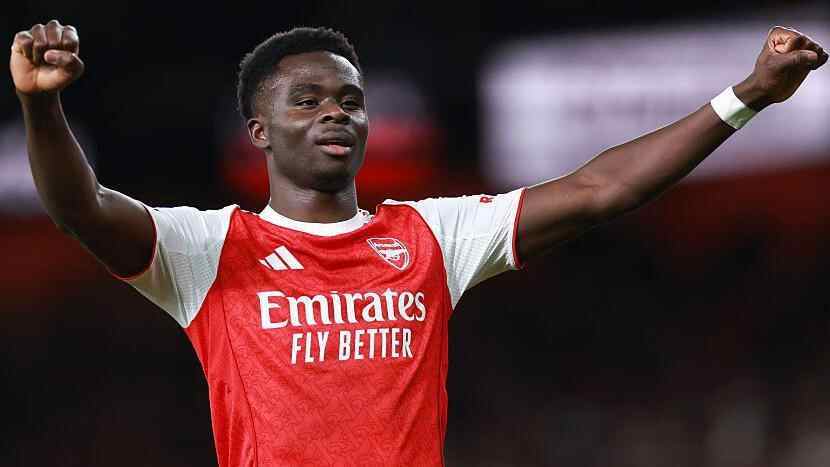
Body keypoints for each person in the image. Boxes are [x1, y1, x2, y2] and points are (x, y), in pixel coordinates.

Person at [10, 19, 827, 466]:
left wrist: (749, 94)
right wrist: (43, 107)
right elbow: (82, 207)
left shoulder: (430, 233)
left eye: (350, 98)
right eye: (307, 100)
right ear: (260, 130)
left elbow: (599, 189)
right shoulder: (210, 248)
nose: (336, 111)